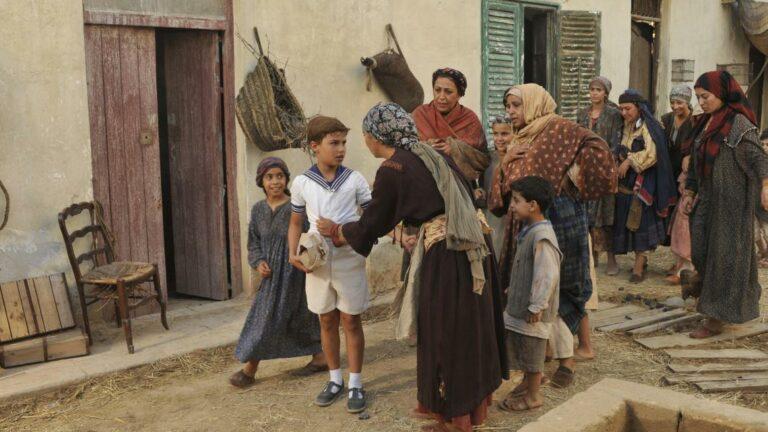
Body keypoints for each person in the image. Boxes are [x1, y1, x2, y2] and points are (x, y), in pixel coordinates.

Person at [320, 102, 505, 432]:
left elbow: (373, 221)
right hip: (473, 245)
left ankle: (455, 418)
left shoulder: (394, 168)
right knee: (467, 329)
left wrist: (339, 232)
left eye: (364, 135)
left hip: (451, 253)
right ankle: (460, 408)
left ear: (377, 135)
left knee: (445, 332)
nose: (364, 141)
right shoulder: (427, 153)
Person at [490, 84, 617, 389]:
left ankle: (568, 361)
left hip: (560, 220)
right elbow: (502, 195)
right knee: (529, 289)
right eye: (508, 106)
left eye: (516, 106)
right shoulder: (520, 137)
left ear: (533, 104)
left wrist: (574, 178)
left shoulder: (560, 129)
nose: (511, 112)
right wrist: (506, 161)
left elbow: (598, 148)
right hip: (523, 224)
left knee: (558, 290)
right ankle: (541, 359)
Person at [287, 116, 372, 413]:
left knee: (350, 320)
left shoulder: (355, 180)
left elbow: (371, 220)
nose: (340, 149)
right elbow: (296, 221)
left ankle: (356, 383)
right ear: (315, 146)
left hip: (349, 258)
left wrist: (342, 230)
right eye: (333, 143)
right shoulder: (301, 182)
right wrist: (293, 253)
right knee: (326, 319)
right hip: (317, 261)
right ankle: (335, 379)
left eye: (343, 143)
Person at [681, 71, 768, 338]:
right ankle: (709, 296)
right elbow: (696, 162)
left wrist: (765, 186)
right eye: (698, 97)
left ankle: (715, 318)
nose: (701, 102)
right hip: (707, 200)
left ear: (721, 93)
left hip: (731, 206)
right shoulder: (706, 124)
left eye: (705, 97)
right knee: (701, 252)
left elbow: (759, 159)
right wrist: (690, 192)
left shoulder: (739, 125)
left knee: (724, 259)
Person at [229, 157, 326, 388]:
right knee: (265, 318)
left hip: (295, 274)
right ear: (261, 181)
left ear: (286, 180)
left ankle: (250, 369)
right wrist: (258, 261)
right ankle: (318, 356)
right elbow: (253, 242)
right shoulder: (258, 210)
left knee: (300, 317)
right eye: (269, 177)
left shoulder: (296, 209)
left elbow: (310, 238)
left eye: (280, 176)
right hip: (271, 277)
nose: (275, 182)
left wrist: (308, 263)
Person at [498, 176, 562, 412]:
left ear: (533, 205)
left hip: (533, 310)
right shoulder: (531, 230)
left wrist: (537, 305)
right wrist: (515, 287)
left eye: (516, 200)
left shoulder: (542, 236)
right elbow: (527, 269)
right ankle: (528, 383)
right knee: (525, 348)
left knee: (533, 352)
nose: (512, 206)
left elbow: (546, 274)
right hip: (525, 304)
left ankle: (534, 396)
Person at [613, 89, 676, 283]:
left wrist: (630, 161)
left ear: (638, 108)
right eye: (622, 109)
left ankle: (639, 267)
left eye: (628, 109)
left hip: (644, 183)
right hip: (624, 183)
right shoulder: (625, 125)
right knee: (628, 222)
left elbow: (653, 154)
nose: (624, 113)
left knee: (641, 222)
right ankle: (639, 261)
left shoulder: (650, 126)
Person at [577, 76, 623, 276]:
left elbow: (616, 141)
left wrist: (606, 162)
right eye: (592, 89)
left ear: (606, 93)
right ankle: (591, 256)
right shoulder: (582, 114)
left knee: (606, 214)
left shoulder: (613, 114)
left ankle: (611, 258)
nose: (594, 93)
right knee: (586, 213)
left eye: (598, 90)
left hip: (605, 169)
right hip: (585, 170)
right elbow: (576, 138)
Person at [661, 85, 695, 284]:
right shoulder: (666, 120)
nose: (675, 106)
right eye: (673, 102)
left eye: (679, 102)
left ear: (687, 102)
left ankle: (686, 266)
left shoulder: (694, 122)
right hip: (668, 173)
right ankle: (678, 261)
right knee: (672, 219)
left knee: (684, 220)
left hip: (686, 174)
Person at [485, 115, 513, 255]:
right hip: (491, 219)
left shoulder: (517, 160)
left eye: (505, 134)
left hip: (510, 218)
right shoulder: (489, 159)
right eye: (496, 134)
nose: (499, 139)